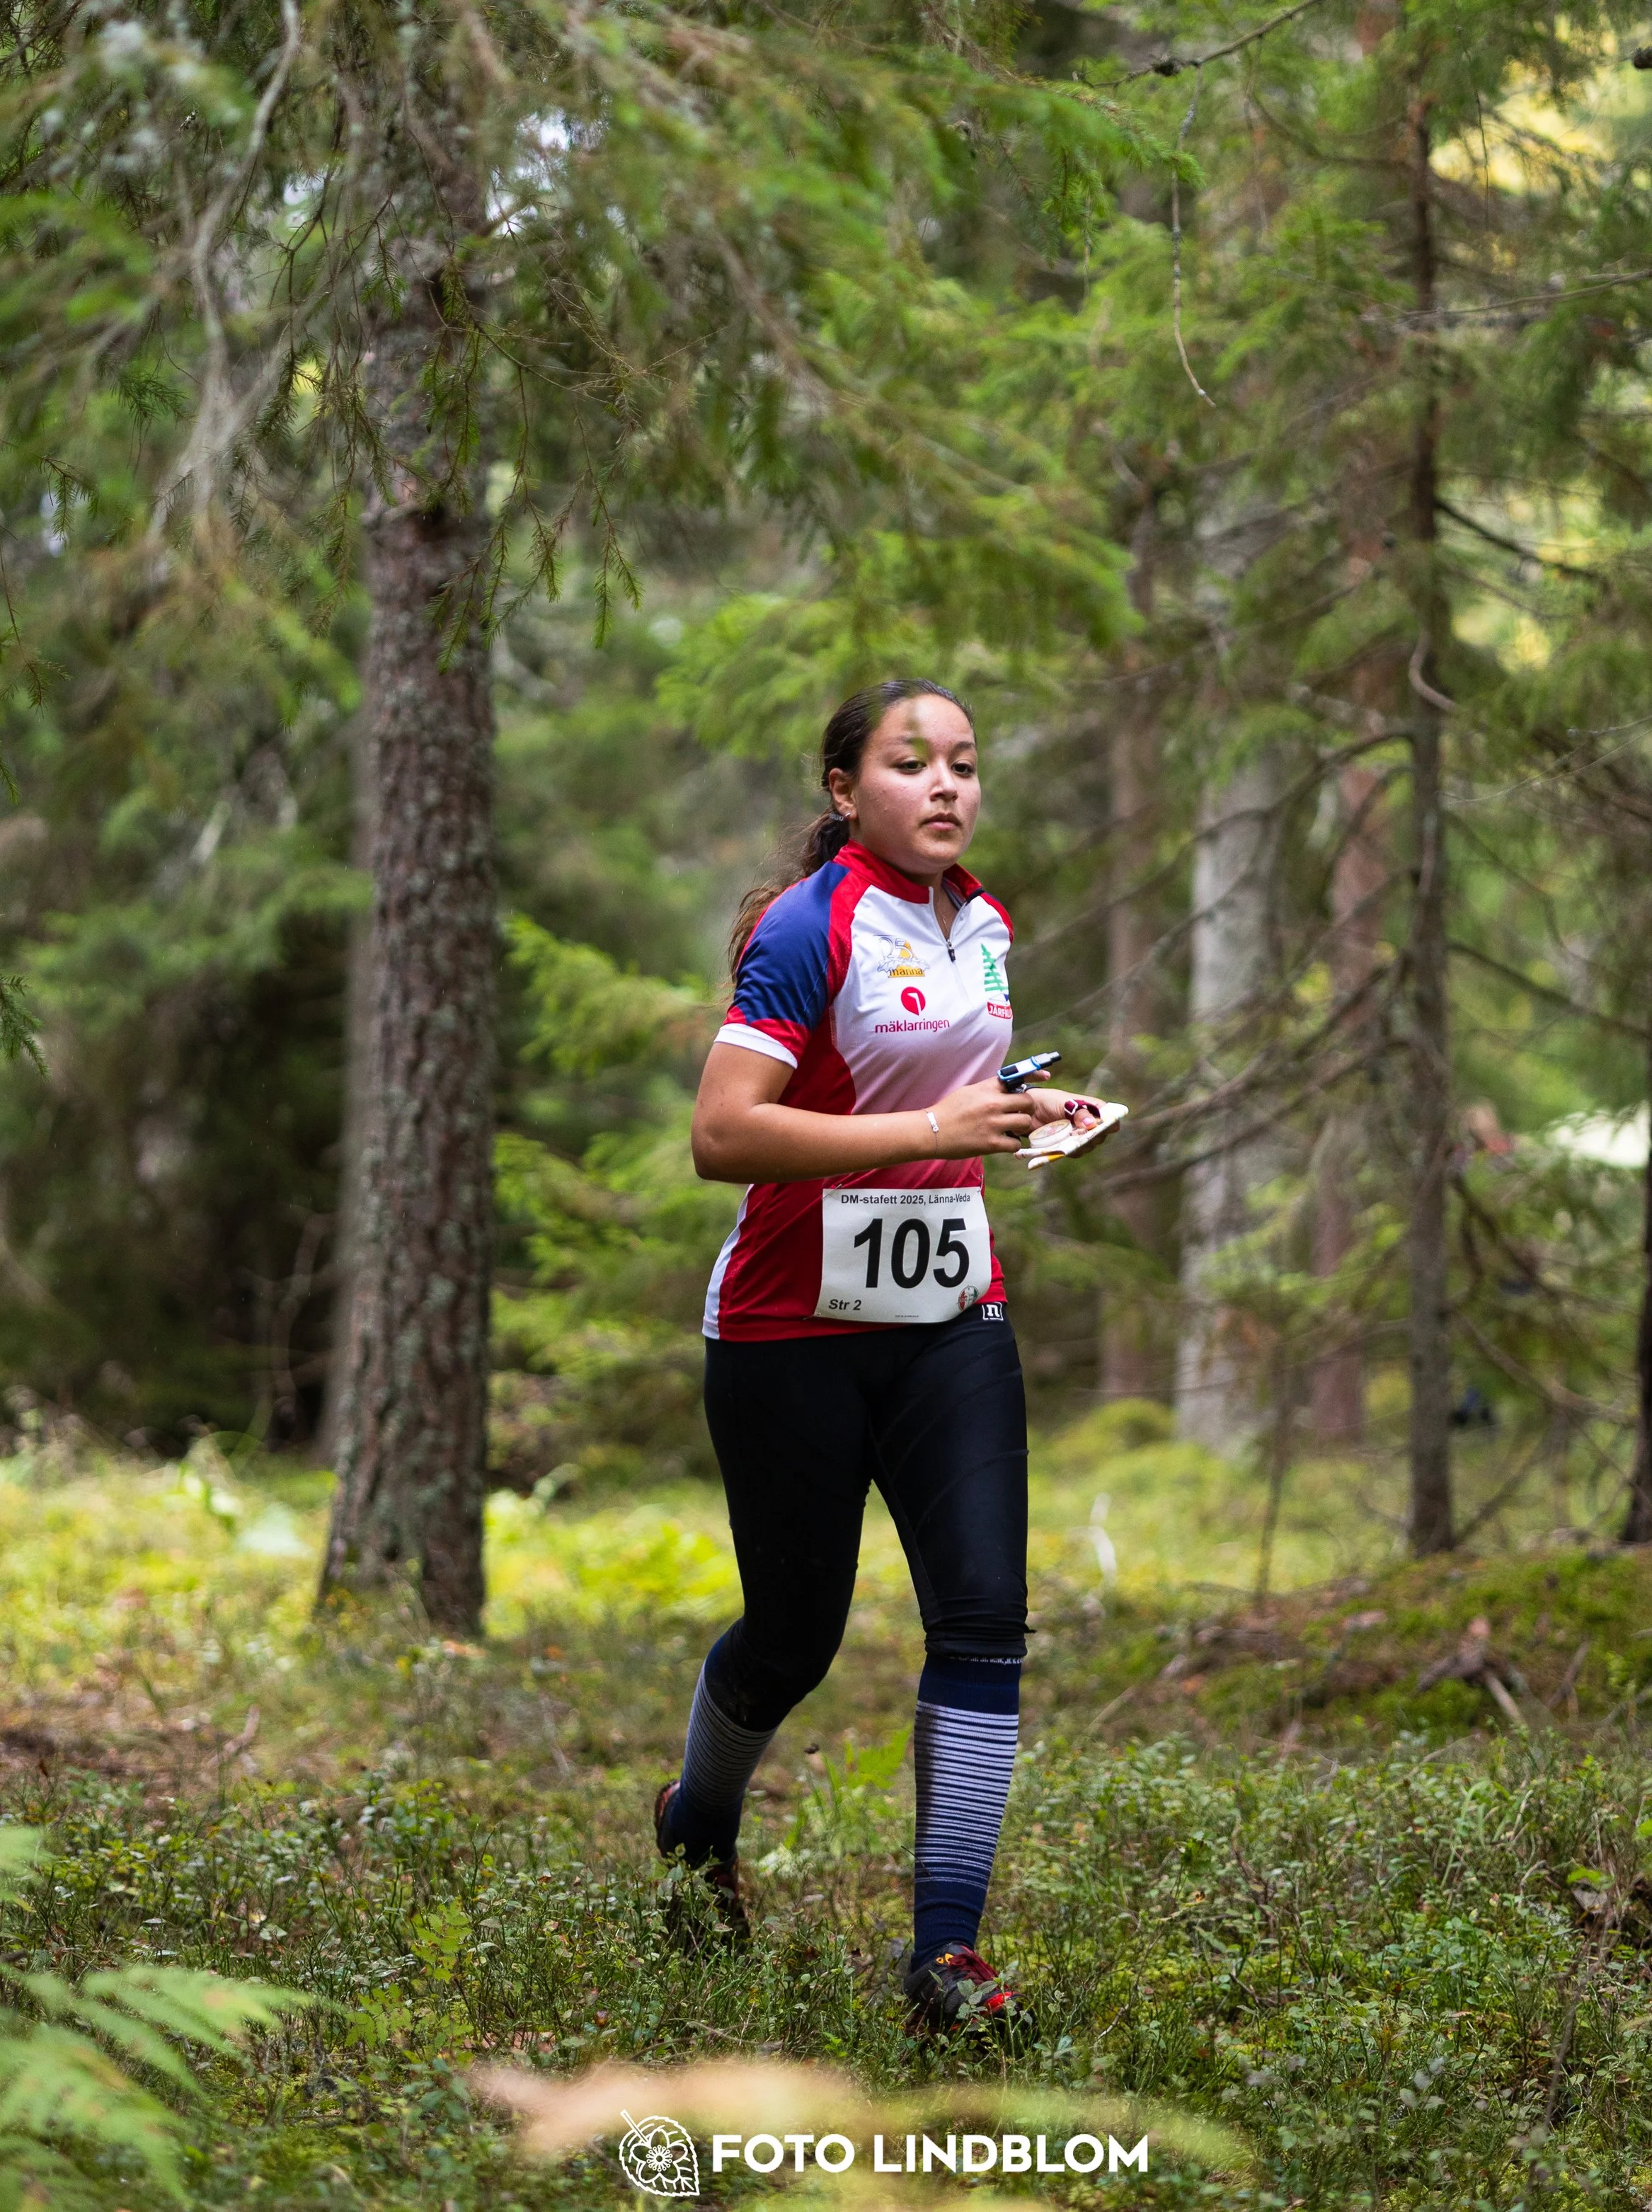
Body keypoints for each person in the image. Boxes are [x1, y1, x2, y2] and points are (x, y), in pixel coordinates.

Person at [653, 677, 1106, 2033]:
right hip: (792, 1330)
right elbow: (723, 1136)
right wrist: (935, 1131)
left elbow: (935, 1091)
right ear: (849, 792)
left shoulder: (985, 920)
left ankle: (945, 1959)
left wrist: (1018, 1112)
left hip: (951, 1320)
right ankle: (695, 1820)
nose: (949, 786)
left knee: (982, 1622)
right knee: (796, 1636)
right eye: (914, 765)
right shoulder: (809, 927)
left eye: (966, 762)